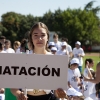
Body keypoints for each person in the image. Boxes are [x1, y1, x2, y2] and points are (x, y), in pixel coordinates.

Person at [10, 22, 67, 100]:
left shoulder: (55, 60)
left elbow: (56, 91)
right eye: (36, 35)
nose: (39, 39)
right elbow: (13, 87)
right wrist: (19, 94)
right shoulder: (23, 58)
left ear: (47, 37)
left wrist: (59, 94)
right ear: (31, 38)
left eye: (43, 35)